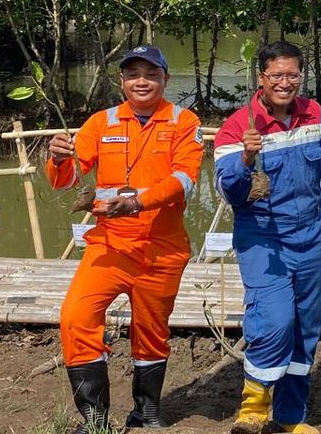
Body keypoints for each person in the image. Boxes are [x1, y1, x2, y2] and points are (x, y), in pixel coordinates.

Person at [45, 44, 203, 433]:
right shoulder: (101, 123)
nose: (142, 81)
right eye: (133, 74)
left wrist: (137, 202)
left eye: (151, 74)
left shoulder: (184, 121)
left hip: (162, 249)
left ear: (165, 78)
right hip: (109, 245)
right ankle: (95, 419)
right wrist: (59, 159)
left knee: (151, 329)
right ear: (122, 81)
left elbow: (185, 179)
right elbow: (67, 180)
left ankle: (146, 412)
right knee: (76, 316)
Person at [214, 41, 321, 434]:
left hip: (312, 234)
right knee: (274, 320)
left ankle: (288, 418)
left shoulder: (314, 114)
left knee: (307, 324)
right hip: (264, 239)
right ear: (261, 78)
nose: (285, 83)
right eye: (277, 75)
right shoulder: (237, 126)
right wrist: (245, 159)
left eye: (292, 75)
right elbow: (227, 192)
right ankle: (253, 409)